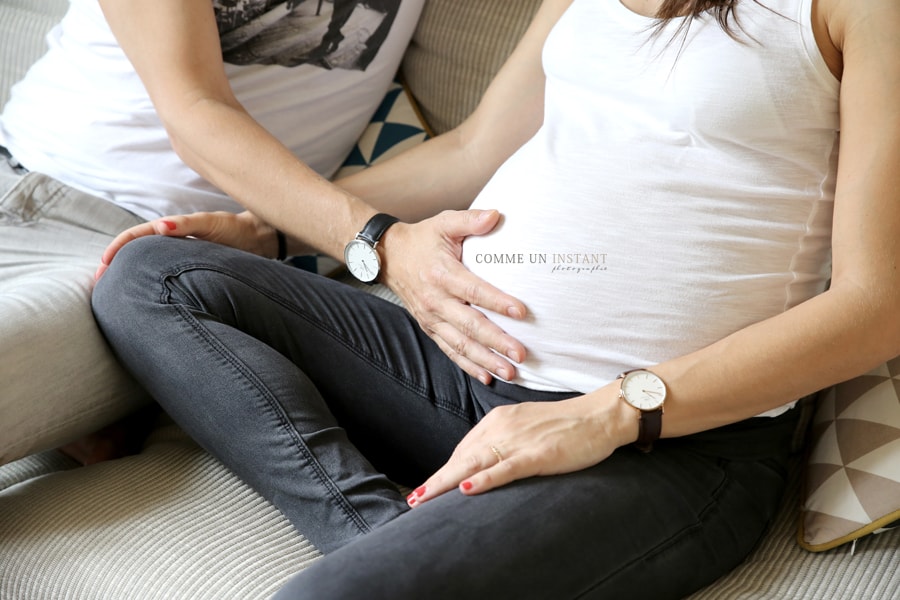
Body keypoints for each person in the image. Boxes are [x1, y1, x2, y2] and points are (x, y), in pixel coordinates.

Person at [92, 0, 900, 597]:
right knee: (154, 276)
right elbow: (473, 151)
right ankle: (383, 531)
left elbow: (878, 305)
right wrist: (276, 233)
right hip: (459, 375)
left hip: (668, 446)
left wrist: (607, 413)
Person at [0, 0, 520, 465]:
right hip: (28, 188)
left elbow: (478, 152)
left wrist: (267, 235)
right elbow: (193, 109)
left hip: (152, 259)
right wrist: (376, 238)